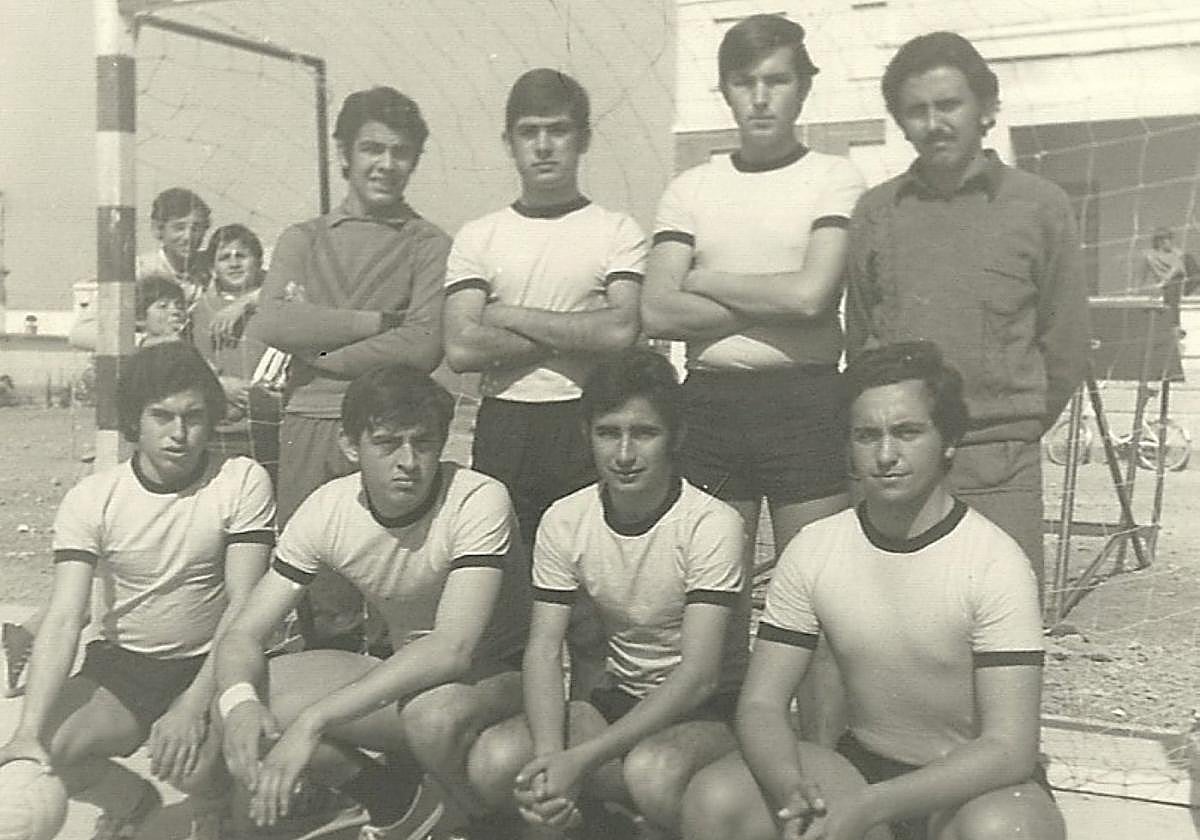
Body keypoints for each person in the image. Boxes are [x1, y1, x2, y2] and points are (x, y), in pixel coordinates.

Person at [682, 341, 1064, 840]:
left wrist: (870, 808)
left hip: (967, 787)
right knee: (716, 800)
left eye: (907, 433)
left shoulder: (994, 562)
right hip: (861, 768)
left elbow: (1010, 747)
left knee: (1006, 830)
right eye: (867, 436)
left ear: (948, 440)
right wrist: (790, 789)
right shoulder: (816, 547)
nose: (885, 455)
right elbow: (760, 705)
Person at [214, 364, 529, 840]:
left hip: (499, 677)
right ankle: (394, 797)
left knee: (433, 719)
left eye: (422, 443)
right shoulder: (328, 507)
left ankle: (480, 825)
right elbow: (244, 632)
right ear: (349, 445)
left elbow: (453, 648)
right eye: (386, 443)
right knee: (259, 691)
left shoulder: (477, 497)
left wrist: (316, 721)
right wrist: (238, 704)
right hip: (409, 674)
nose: (408, 461)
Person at [466, 348, 749, 839]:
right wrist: (552, 756)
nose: (623, 455)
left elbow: (700, 677)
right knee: (497, 761)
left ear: (676, 436)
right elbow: (543, 649)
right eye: (608, 433)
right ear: (586, 435)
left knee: (651, 771)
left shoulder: (712, 523)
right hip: (617, 700)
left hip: (708, 711)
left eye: (643, 433)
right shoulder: (566, 518)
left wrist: (582, 760)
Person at [844, 31, 1091, 588]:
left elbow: (1066, 343)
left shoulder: (1040, 204)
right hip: (897, 461)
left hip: (999, 463)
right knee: (894, 630)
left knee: (1000, 633)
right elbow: (861, 338)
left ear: (986, 108)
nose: (934, 124)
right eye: (916, 111)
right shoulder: (875, 212)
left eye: (948, 104)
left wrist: (1013, 425)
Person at [0, 342, 275, 840]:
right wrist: (26, 731)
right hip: (127, 664)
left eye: (193, 416)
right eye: (162, 416)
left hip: (213, 658)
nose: (179, 433)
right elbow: (65, 618)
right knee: (49, 750)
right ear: (135, 421)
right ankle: (133, 803)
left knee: (193, 769)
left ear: (211, 418)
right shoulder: (94, 498)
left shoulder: (240, 480)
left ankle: (218, 800)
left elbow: (245, 603)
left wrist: (193, 705)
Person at [641, 14, 866, 577]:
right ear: (726, 90)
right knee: (712, 591)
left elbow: (812, 297)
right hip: (712, 405)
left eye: (778, 80)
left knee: (813, 588)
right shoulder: (691, 189)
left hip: (806, 403)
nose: (760, 99)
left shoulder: (834, 178)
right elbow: (656, 308)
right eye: (744, 82)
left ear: (804, 87)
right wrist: (777, 297)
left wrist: (705, 280)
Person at [250, 86, 451, 652]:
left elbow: (424, 345)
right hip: (310, 422)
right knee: (319, 589)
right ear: (344, 152)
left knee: (399, 580)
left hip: (391, 429)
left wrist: (319, 348)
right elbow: (273, 322)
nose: (386, 164)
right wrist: (376, 321)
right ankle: (328, 710)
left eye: (401, 151)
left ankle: (393, 716)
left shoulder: (428, 243)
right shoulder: (304, 238)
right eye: (372, 148)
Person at [441, 67, 646, 548]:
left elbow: (620, 332)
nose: (544, 145)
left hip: (584, 418)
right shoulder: (479, 235)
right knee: (505, 567)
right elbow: (462, 348)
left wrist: (507, 315)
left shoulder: (616, 230)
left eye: (558, 130)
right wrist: (577, 333)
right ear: (509, 141)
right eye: (529, 132)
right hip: (505, 423)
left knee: (583, 568)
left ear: (584, 138)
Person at [190, 223, 280, 480]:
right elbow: (195, 364)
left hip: (271, 424)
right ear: (212, 268)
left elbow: (295, 287)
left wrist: (245, 302)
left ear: (258, 261)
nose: (234, 263)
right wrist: (220, 384)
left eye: (241, 256)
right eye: (224, 258)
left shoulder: (276, 303)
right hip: (223, 429)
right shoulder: (202, 310)